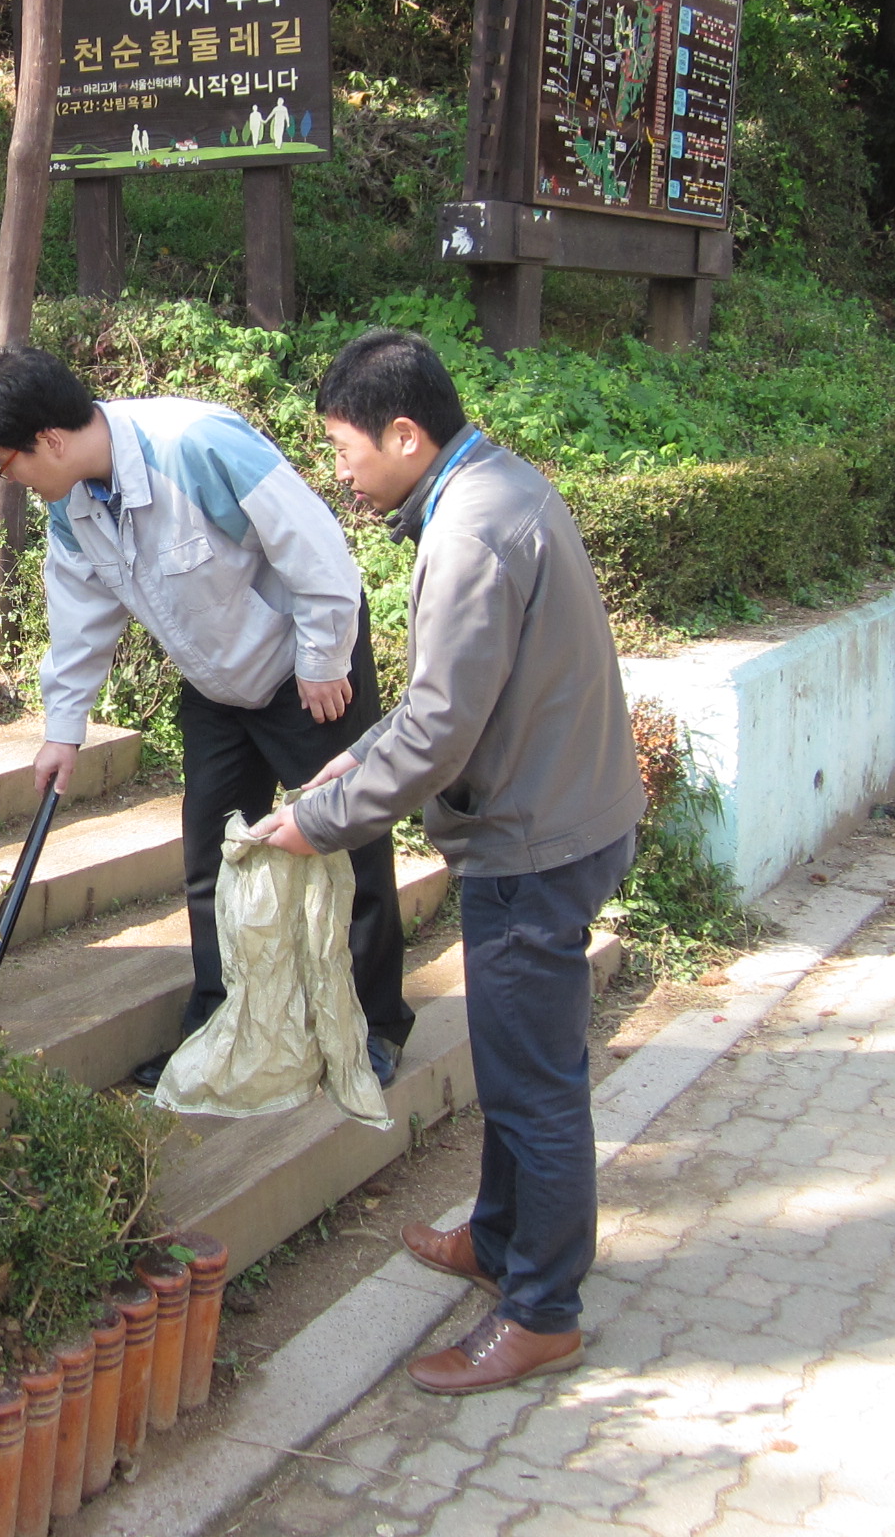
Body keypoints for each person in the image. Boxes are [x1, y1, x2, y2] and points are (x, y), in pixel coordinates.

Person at [258, 329, 646, 1398]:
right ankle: (501, 1236)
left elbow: (437, 733)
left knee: (534, 1085)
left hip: (535, 839)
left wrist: (320, 819)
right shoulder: (500, 484)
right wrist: (354, 760)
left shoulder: (470, 532)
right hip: (568, 804)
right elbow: (455, 700)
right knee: (522, 1064)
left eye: (344, 449)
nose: (338, 471)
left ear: (405, 434)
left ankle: (543, 1312)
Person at [0, 346, 417, 1088]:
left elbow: (316, 546)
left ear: (50, 439)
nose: (7, 478)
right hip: (215, 683)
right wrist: (62, 730)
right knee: (211, 859)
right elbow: (80, 620)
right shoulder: (71, 506)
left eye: (4, 462)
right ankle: (218, 1025)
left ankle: (373, 1025)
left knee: (348, 847)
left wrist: (326, 657)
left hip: (305, 671)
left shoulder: (195, 445)